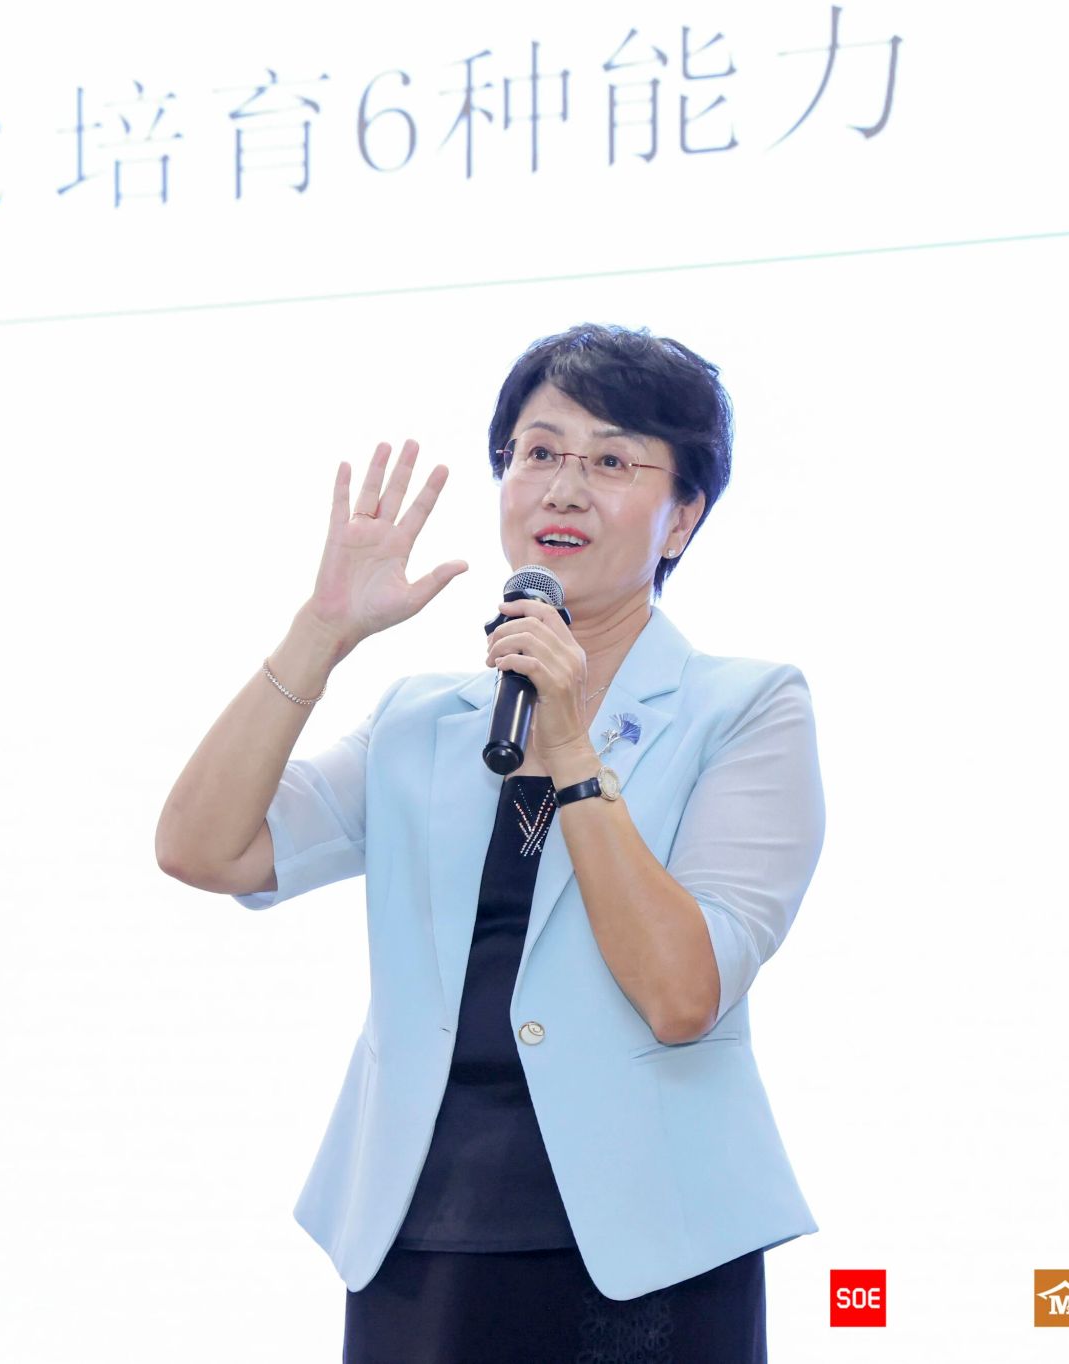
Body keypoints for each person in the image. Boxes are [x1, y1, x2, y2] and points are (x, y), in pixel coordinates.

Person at [155, 323, 826, 1362]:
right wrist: (320, 633)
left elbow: (681, 993)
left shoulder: (745, 708)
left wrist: (569, 745)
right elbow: (205, 848)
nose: (564, 488)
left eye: (612, 461)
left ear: (684, 516)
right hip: (423, 1231)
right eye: (539, 452)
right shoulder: (423, 720)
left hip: (651, 1250)